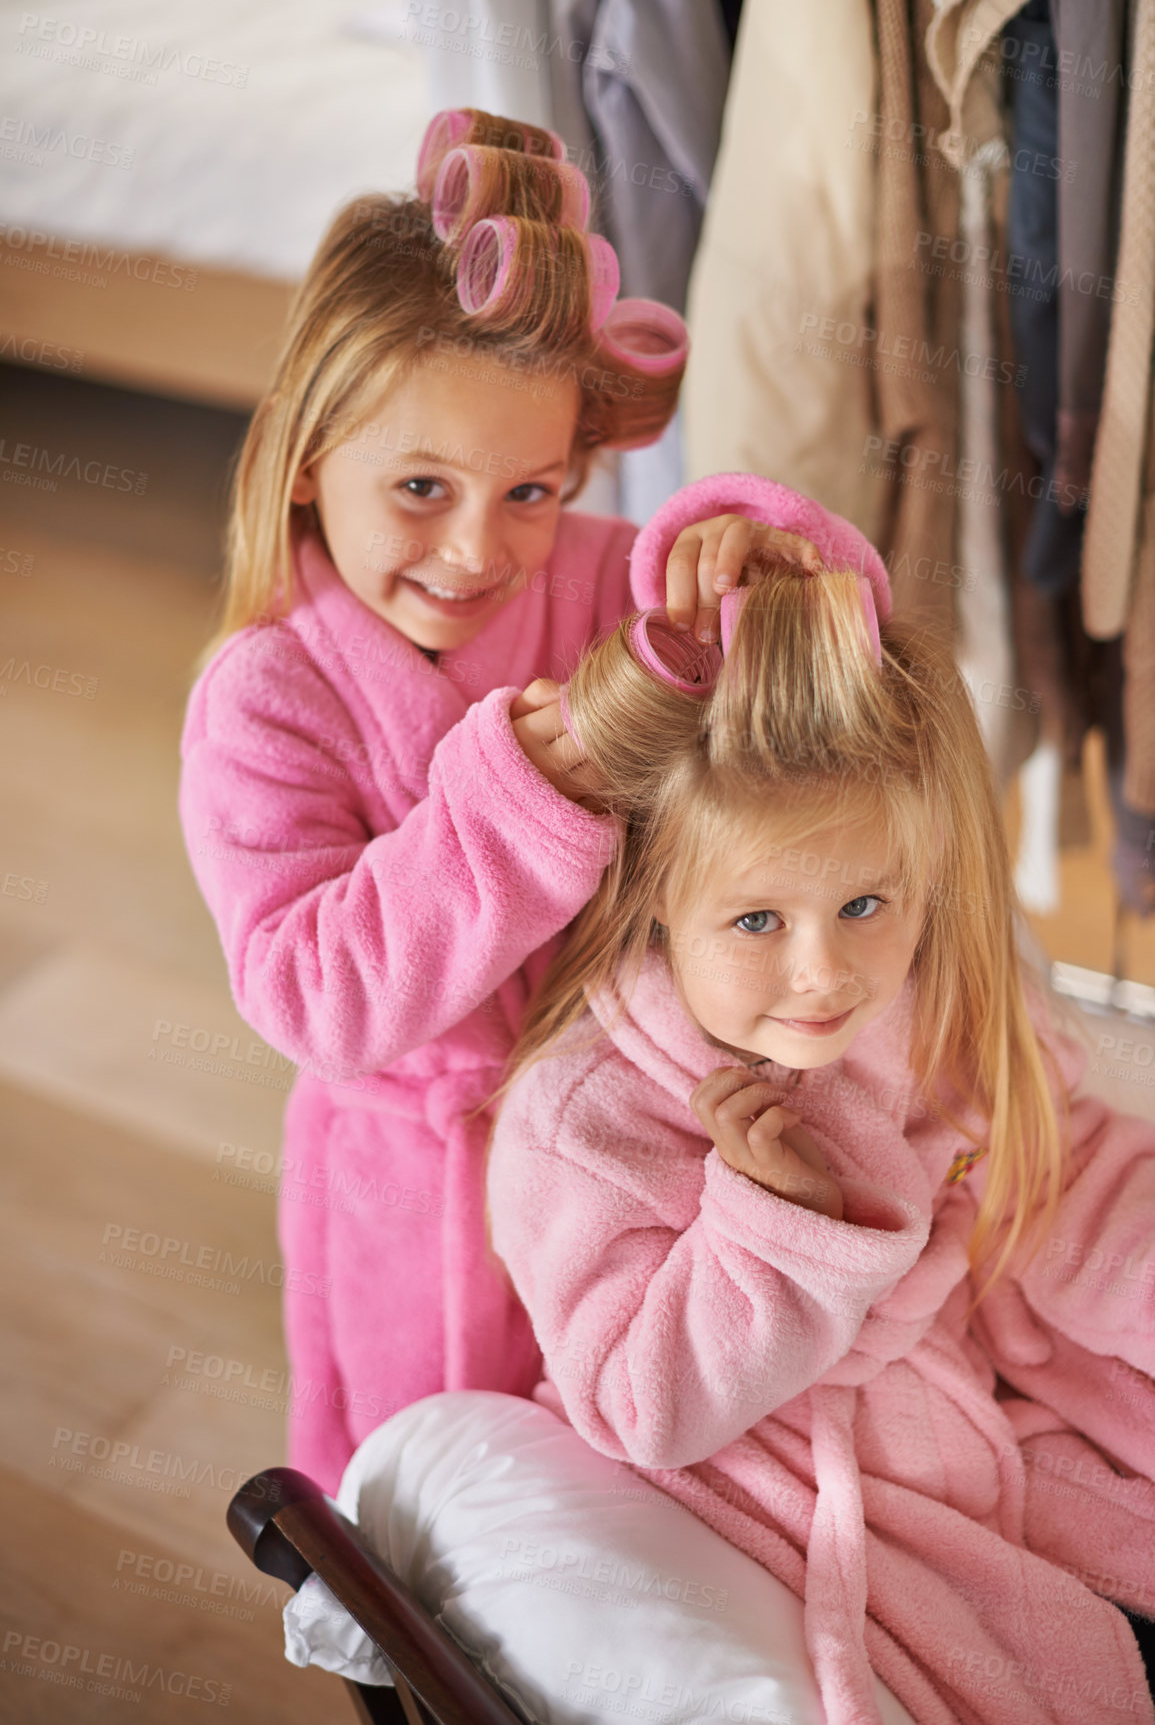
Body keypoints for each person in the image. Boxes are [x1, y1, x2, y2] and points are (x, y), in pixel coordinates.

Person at [178, 108, 815, 1493]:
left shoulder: (591, 578)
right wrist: (521, 795)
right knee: (453, 1490)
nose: (478, 549)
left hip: (633, 1138)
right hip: (426, 1194)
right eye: (420, 486)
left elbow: (812, 633)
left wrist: (753, 562)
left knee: (643, 1458)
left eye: (529, 488)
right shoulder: (267, 694)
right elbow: (312, 992)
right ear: (304, 462)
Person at [487, 473, 1155, 1725]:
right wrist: (770, 1226)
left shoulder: (929, 992)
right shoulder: (585, 1124)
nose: (825, 971)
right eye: (757, 919)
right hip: (812, 1483)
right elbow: (648, 1408)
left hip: (994, 1413)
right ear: (655, 905)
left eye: (865, 904)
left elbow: (1054, 1158)